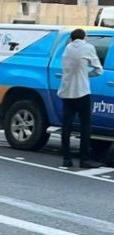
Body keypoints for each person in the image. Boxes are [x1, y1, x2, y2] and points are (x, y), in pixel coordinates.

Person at [58, 28, 103, 168]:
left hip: (66, 91)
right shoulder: (88, 47)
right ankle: (84, 159)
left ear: (72, 38)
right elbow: (98, 70)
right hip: (82, 91)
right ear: (84, 37)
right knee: (85, 126)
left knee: (67, 126)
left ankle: (66, 158)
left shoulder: (67, 48)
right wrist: (86, 74)